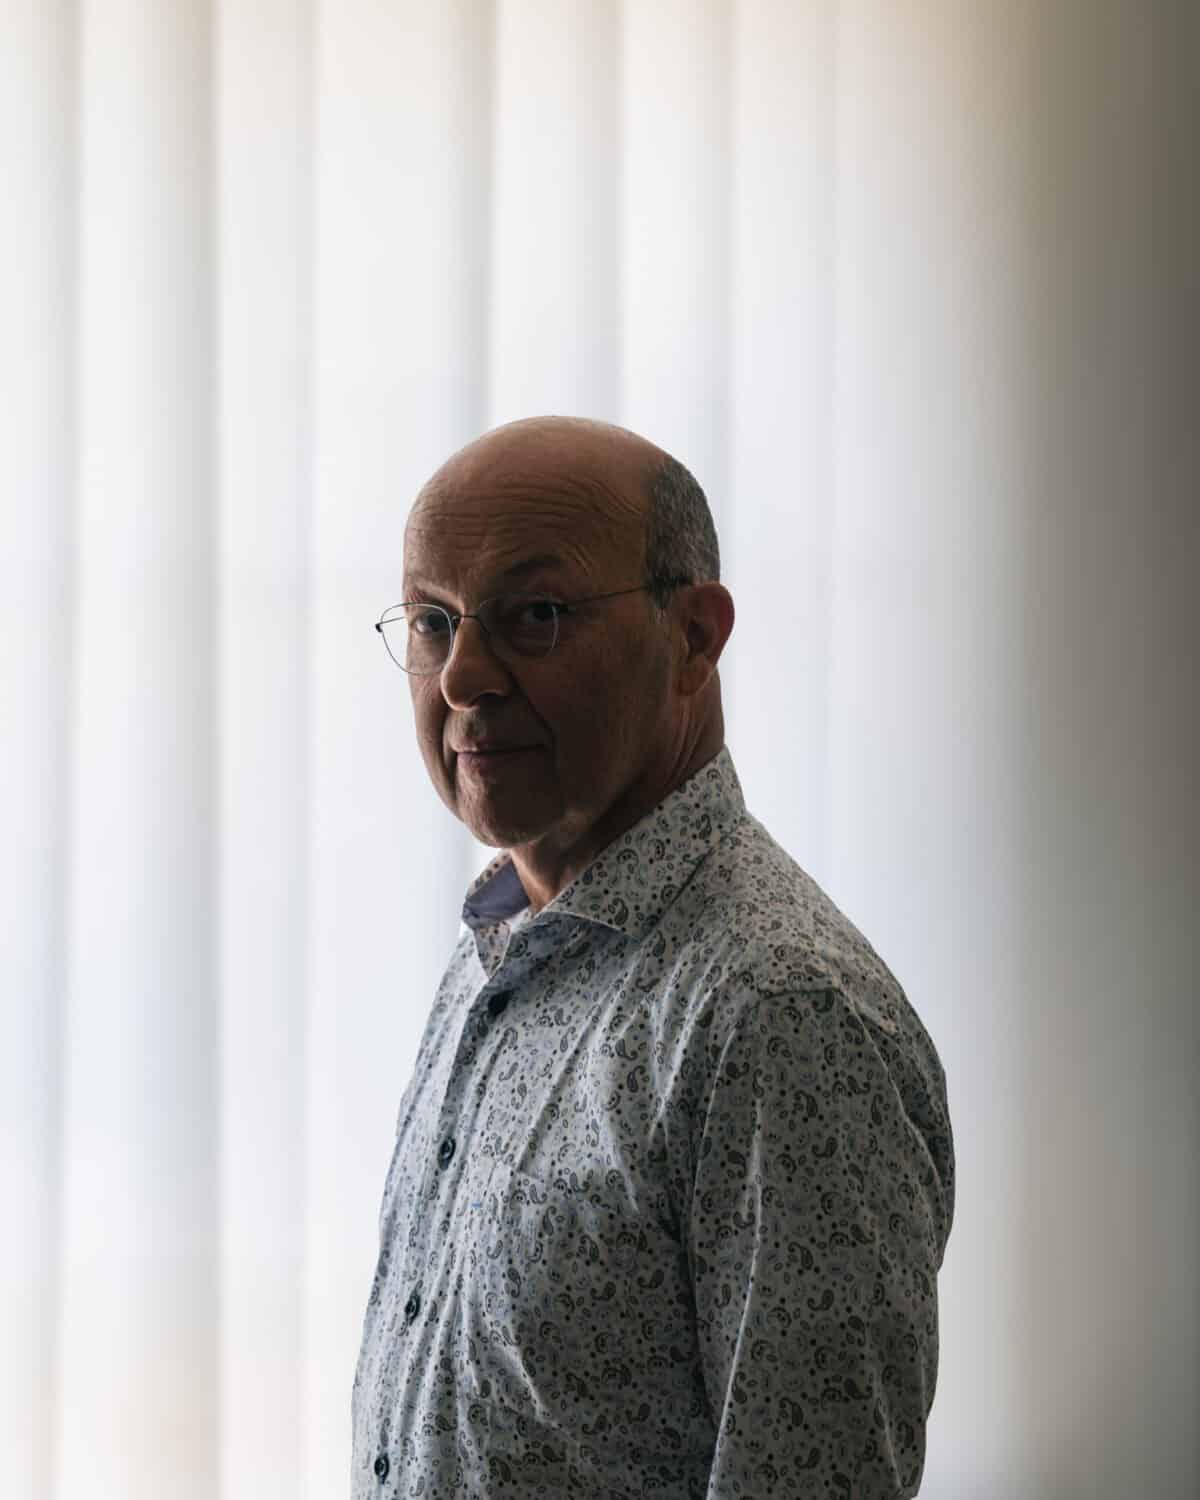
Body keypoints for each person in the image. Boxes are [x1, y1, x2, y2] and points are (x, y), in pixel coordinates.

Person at [352, 415, 955, 1499]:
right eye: (435, 621)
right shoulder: (500, 947)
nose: (462, 679)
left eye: (535, 615)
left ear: (694, 639)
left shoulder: (781, 1016)